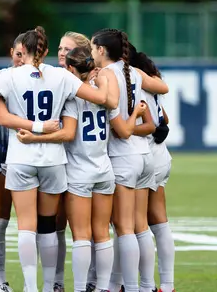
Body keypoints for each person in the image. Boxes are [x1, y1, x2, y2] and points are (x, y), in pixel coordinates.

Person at [0, 25, 116, 292]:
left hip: (21, 158)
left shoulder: (9, 76)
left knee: (26, 227)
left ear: (24, 51)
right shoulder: (61, 76)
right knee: (47, 227)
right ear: (45, 51)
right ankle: (48, 287)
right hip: (54, 160)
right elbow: (103, 98)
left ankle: (30, 288)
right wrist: (101, 77)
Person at [16, 45, 148, 292]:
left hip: (79, 172)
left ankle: (79, 288)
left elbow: (68, 133)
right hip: (104, 170)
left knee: (81, 236)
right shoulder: (104, 94)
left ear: (70, 69)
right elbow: (119, 122)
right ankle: (101, 288)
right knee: (102, 234)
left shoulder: (71, 97)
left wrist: (34, 137)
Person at [90, 28, 168, 292]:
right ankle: (147, 287)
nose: (91, 53)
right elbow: (153, 123)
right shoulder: (135, 72)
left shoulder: (106, 75)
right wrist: (134, 115)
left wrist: (129, 117)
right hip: (145, 157)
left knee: (124, 229)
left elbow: (122, 130)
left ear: (102, 50)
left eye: (93, 48)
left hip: (123, 157)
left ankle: (132, 288)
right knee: (140, 227)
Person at [128, 46, 175, 292]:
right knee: (159, 222)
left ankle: (136, 285)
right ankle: (167, 286)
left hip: (143, 153)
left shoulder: (129, 75)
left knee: (133, 225)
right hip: (159, 155)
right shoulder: (144, 74)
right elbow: (163, 119)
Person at [53, 31, 93, 292]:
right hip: (62, 163)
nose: (61, 52)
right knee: (57, 227)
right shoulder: (55, 78)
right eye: (59, 47)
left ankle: (92, 283)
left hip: (76, 163)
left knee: (87, 231)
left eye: (67, 49)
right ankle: (57, 282)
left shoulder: (73, 84)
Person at [0, 33, 26, 292]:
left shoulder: (50, 78)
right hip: (0, 157)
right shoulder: (0, 78)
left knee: (35, 225)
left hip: (33, 159)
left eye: (27, 54)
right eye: (18, 54)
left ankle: (41, 283)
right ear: (11, 52)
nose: (21, 59)